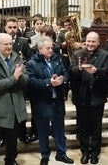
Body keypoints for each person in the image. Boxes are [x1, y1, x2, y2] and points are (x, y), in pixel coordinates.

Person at [26, 37, 74, 165]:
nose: (51, 50)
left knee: (59, 129)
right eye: (48, 48)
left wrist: (62, 80)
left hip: (57, 100)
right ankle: (45, 155)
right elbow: (31, 82)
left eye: (51, 48)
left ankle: (61, 154)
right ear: (40, 49)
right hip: (41, 102)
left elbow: (66, 74)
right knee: (43, 130)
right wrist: (49, 82)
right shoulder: (32, 63)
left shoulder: (57, 60)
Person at [0, 33, 29, 165]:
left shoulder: (17, 58)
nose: (9, 46)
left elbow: (26, 80)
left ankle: (10, 160)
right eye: (6, 44)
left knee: (12, 138)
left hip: (15, 105)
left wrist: (20, 76)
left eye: (10, 43)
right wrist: (14, 78)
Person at [69, 31, 108, 164]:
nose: (90, 44)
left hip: (97, 96)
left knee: (96, 127)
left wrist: (97, 71)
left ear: (98, 42)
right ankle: (84, 152)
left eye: (93, 41)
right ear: (85, 41)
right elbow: (70, 71)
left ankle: (94, 153)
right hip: (81, 96)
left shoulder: (105, 55)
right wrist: (79, 68)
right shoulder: (77, 54)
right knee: (82, 126)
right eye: (88, 41)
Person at [1, 17, 33, 146]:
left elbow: (30, 59)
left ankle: (22, 134)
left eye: (14, 27)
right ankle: (4, 137)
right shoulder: (0, 41)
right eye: (10, 27)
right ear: (5, 28)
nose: (13, 30)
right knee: (5, 111)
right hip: (6, 81)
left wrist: (22, 68)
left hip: (19, 81)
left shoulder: (23, 42)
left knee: (20, 110)